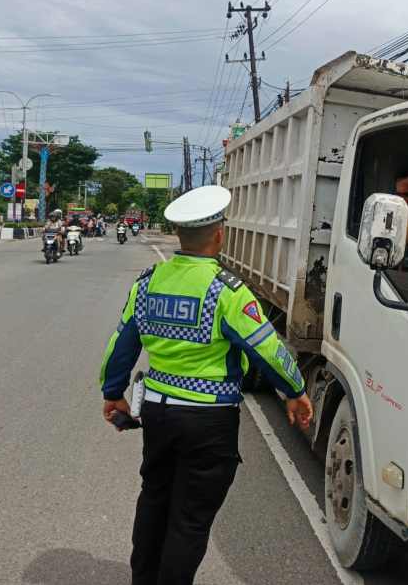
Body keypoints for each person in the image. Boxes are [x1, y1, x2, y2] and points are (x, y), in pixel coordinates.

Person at [100, 185, 313, 585]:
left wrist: (113, 394)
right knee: (190, 520)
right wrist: (295, 390)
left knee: (154, 500)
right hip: (209, 421)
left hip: (158, 415)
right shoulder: (227, 291)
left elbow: (121, 344)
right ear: (218, 234)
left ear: (178, 234)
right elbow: (267, 348)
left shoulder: (147, 283)